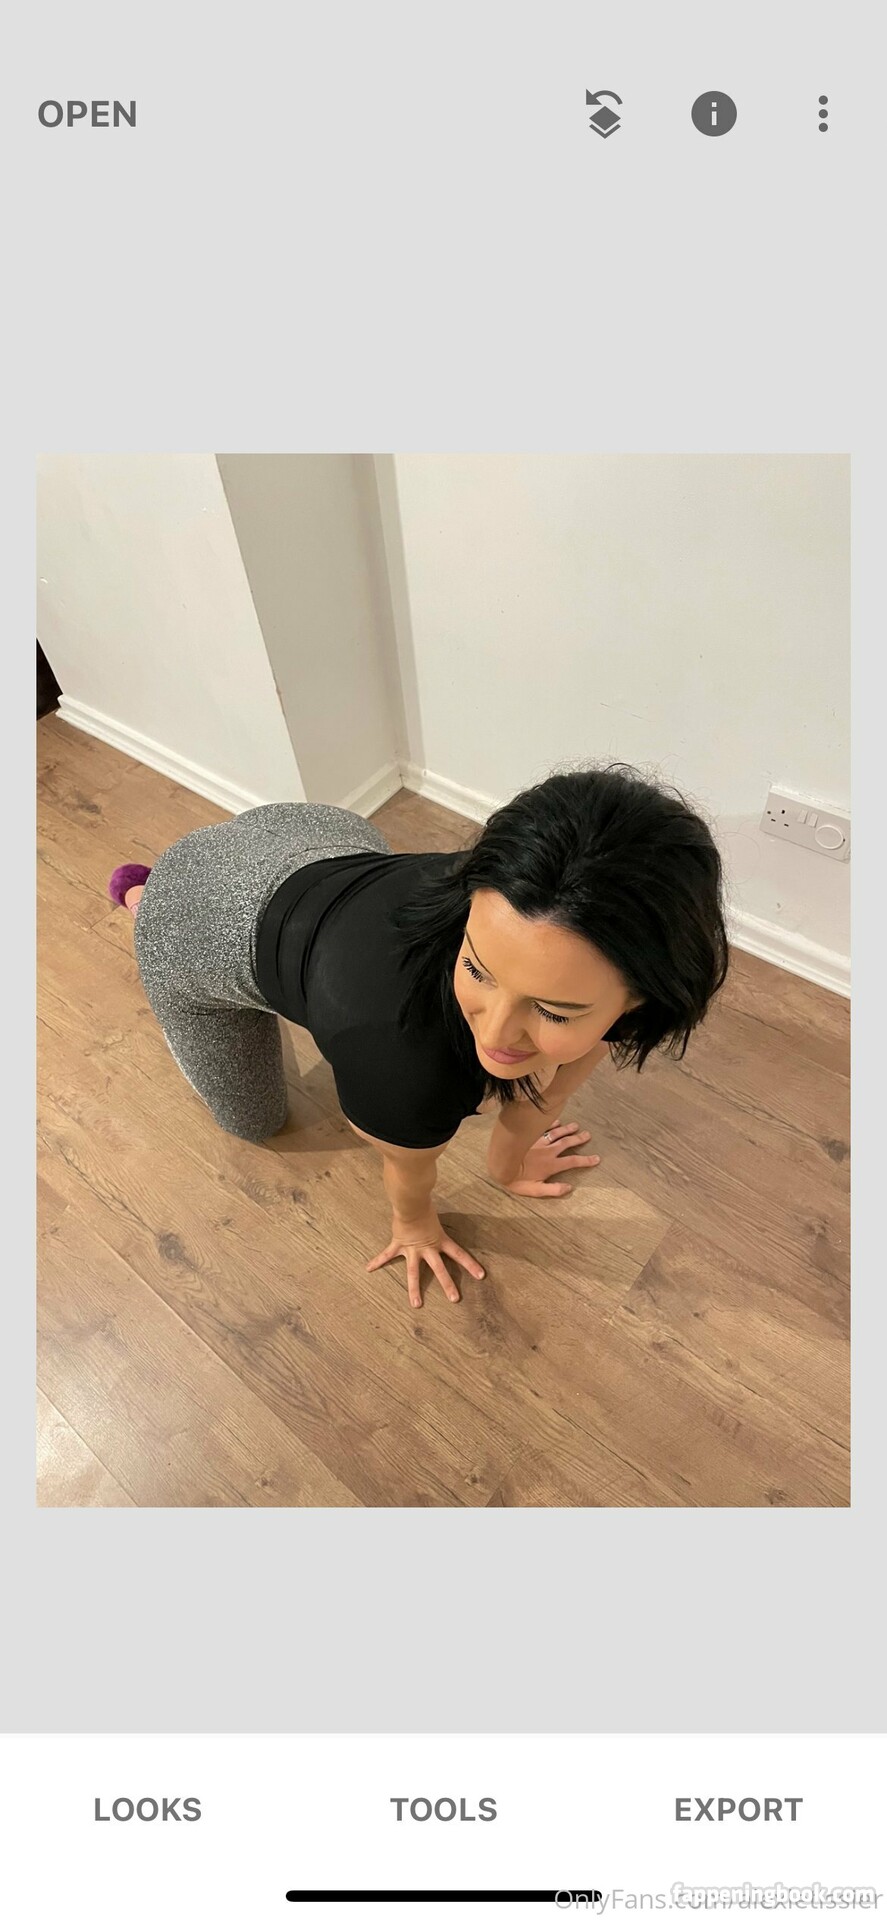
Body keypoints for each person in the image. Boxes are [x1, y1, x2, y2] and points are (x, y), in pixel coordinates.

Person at [108, 764, 728, 1308]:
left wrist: (510, 1163)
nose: (496, 1032)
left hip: (315, 837)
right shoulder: (399, 1057)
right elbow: (407, 1170)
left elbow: (569, 1070)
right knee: (255, 1122)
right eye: (477, 968)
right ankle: (143, 895)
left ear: (642, 996)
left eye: (554, 1009)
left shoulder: (554, 913)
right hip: (198, 918)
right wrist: (415, 1227)